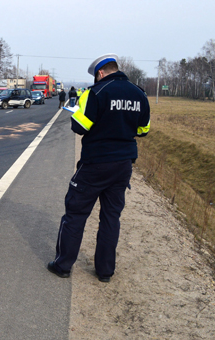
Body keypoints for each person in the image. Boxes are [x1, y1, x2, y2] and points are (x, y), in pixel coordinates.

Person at [47, 53, 151, 282]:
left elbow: (79, 127)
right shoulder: (139, 94)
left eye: (96, 76)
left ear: (100, 73)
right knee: (111, 217)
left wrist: (78, 114)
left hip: (95, 163)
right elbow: (143, 130)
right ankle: (105, 271)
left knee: (75, 214)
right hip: (123, 165)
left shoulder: (95, 93)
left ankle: (63, 265)